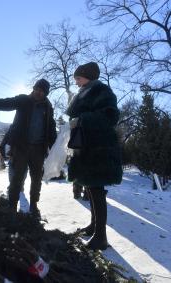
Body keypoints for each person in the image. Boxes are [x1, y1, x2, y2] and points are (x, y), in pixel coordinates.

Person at [0, 79, 57, 216]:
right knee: (16, 179)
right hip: (21, 147)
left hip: (38, 150)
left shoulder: (48, 107)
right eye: (36, 89)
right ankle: (12, 206)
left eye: (41, 91)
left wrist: (54, 149)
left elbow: (51, 128)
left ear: (46, 93)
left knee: (36, 179)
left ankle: (34, 206)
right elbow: (4, 103)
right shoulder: (23, 100)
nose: (38, 92)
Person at [67, 62, 122, 250]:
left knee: (97, 191)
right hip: (86, 146)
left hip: (98, 148)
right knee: (90, 188)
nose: (76, 82)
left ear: (88, 76)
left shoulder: (102, 91)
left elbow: (110, 117)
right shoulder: (83, 93)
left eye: (78, 78)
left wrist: (81, 120)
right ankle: (93, 226)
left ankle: (101, 237)